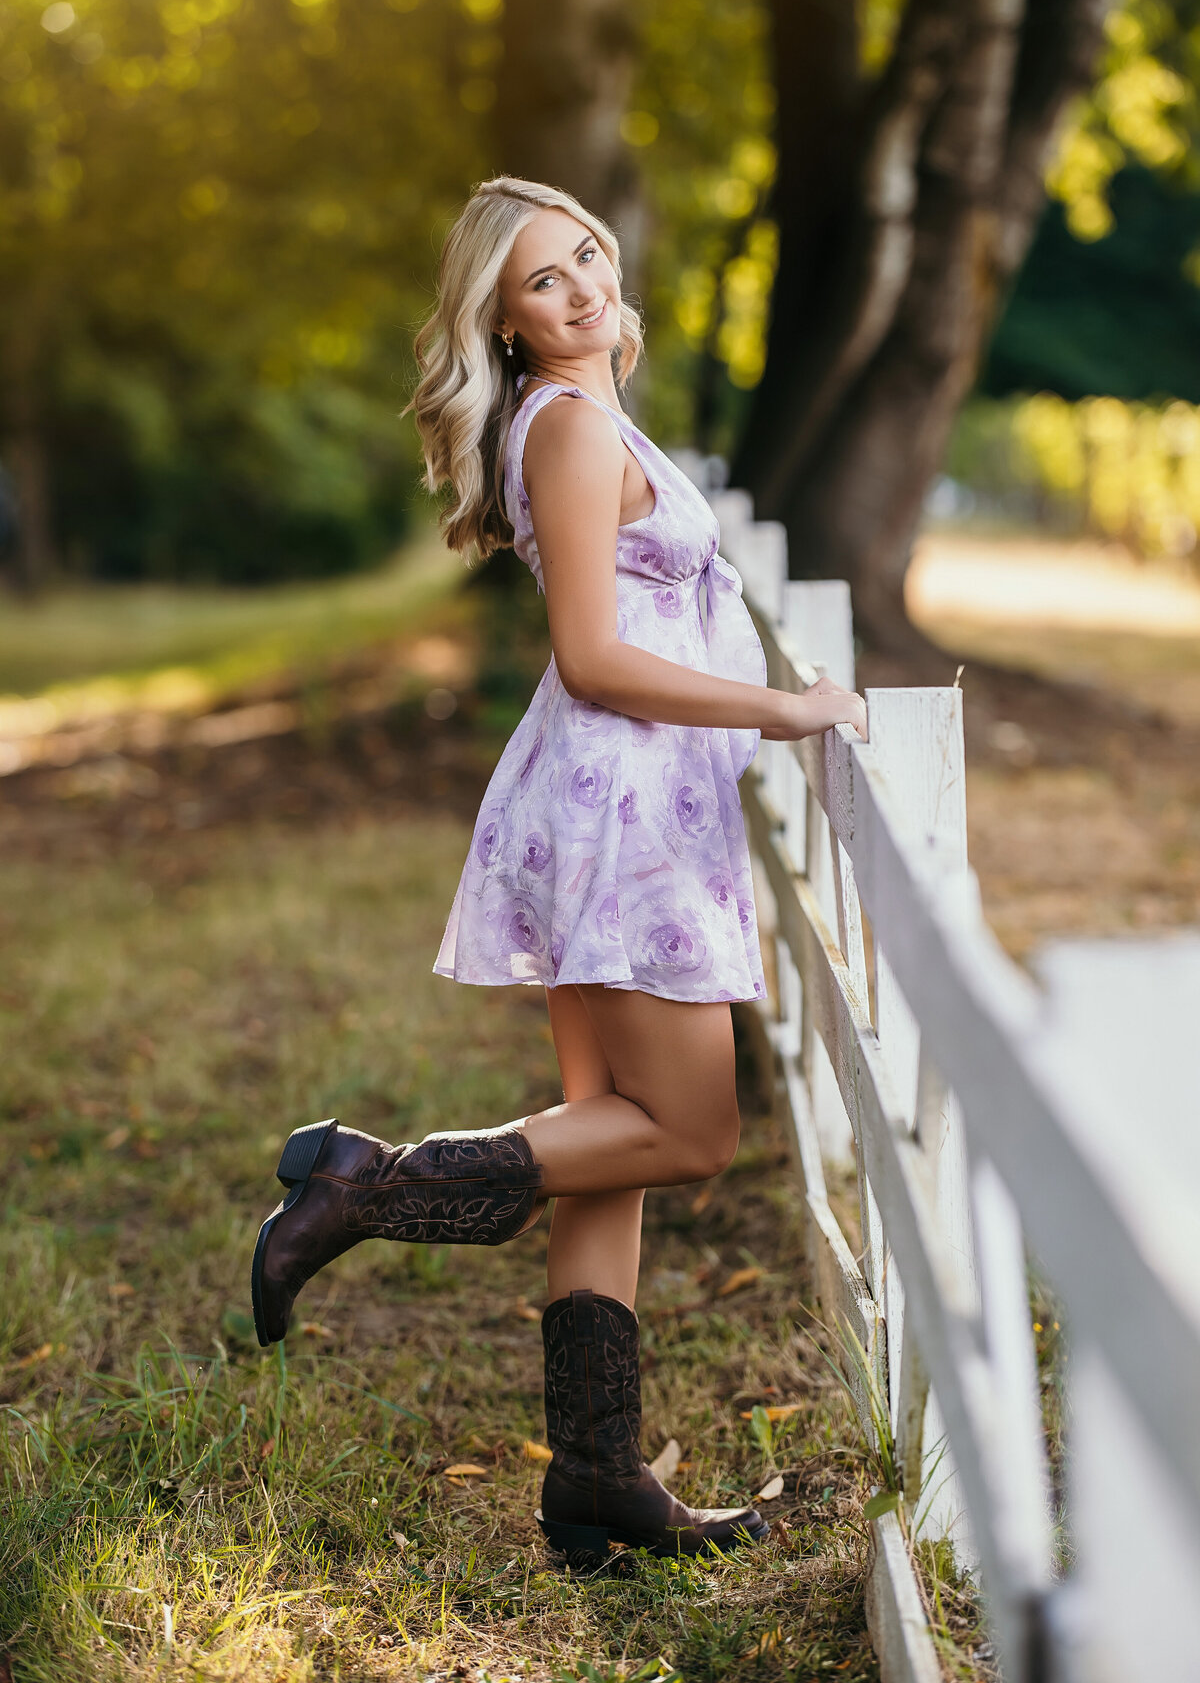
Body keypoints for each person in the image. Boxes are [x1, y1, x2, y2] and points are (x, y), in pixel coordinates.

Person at [250, 176, 868, 1563]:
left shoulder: (579, 415)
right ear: (506, 322)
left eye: (587, 254)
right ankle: (366, 1188)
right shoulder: (574, 430)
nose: (583, 286)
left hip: (608, 800)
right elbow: (594, 654)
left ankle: (595, 1480)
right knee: (693, 1129)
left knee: (612, 1150)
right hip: (626, 811)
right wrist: (784, 707)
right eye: (543, 279)